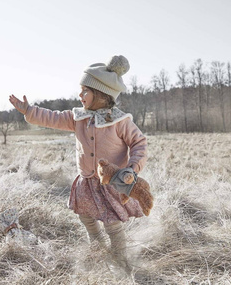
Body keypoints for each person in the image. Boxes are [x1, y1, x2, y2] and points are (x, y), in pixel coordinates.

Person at [9, 55, 148, 275]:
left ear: (101, 94)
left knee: (112, 222)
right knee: (86, 216)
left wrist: (132, 168)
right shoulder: (78, 118)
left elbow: (139, 143)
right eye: (80, 90)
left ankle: (120, 260)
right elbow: (52, 117)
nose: (80, 95)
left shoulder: (120, 121)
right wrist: (29, 111)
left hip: (111, 181)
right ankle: (97, 248)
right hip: (86, 181)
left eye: (85, 91)